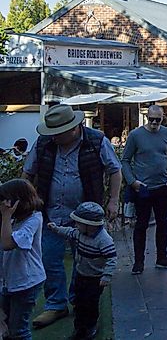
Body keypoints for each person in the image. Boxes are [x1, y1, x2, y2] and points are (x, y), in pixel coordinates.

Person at [22, 104, 121, 329]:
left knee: (84, 260)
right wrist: (26, 201)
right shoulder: (45, 143)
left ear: (74, 129)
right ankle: (56, 304)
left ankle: (78, 300)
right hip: (50, 212)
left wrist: (113, 200)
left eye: (58, 132)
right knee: (49, 258)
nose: (54, 136)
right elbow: (28, 173)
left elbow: (114, 170)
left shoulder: (96, 141)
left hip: (84, 217)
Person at [121, 105, 167, 275]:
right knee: (141, 225)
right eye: (151, 119)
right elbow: (125, 160)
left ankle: (162, 257)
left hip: (163, 186)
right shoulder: (135, 135)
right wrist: (132, 182)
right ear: (147, 117)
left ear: (163, 118)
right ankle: (139, 262)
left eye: (157, 119)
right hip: (143, 188)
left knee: (163, 223)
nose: (154, 122)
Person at [47, 202, 116, 340]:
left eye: (78, 222)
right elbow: (68, 232)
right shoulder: (79, 232)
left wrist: (106, 275)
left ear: (89, 225)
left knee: (90, 303)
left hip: (95, 278)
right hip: (81, 273)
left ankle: (90, 326)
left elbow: (111, 259)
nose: (75, 225)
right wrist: (56, 229)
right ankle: (79, 327)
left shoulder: (103, 240)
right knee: (80, 301)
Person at [0, 179, 46, 340]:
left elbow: (7, 244)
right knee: (5, 325)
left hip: (27, 281)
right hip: (9, 281)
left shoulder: (34, 220)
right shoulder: (13, 219)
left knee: (18, 330)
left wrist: (6, 216)